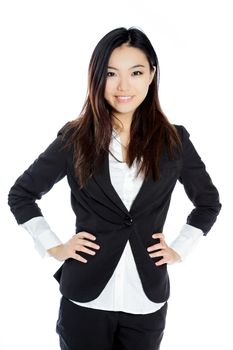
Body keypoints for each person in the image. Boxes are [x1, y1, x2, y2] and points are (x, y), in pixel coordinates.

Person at [8, 27, 221, 350]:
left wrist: (180, 247)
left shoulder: (174, 141)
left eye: (135, 72)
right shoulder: (75, 138)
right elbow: (21, 194)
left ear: (151, 74)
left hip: (145, 301)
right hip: (85, 299)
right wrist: (53, 246)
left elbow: (208, 203)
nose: (123, 86)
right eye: (110, 73)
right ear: (96, 77)